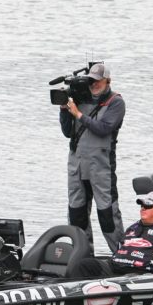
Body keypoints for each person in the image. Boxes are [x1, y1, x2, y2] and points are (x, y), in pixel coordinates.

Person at [59, 62, 126, 253]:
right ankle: (83, 257)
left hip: (101, 168)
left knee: (107, 215)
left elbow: (103, 129)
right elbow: (66, 132)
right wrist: (65, 110)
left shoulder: (116, 102)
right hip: (76, 166)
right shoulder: (79, 100)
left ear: (108, 81)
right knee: (76, 214)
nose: (94, 85)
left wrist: (78, 114)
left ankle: (122, 256)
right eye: (91, 81)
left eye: (98, 81)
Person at [72, 191, 153, 278]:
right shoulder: (133, 228)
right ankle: (72, 299)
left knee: (127, 280)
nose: (143, 209)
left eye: (148, 206)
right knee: (84, 265)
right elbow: (120, 248)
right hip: (115, 267)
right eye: (142, 205)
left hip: (140, 273)